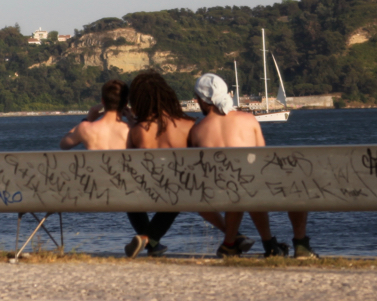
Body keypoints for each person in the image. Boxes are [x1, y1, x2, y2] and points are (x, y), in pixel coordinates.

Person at [188, 72, 317, 259]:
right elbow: (262, 158)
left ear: (203, 100)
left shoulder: (198, 130)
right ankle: (300, 245)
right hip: (250, 186)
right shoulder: (248, 119)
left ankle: (233, 244)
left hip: (218, 192)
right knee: (291, 187)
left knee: (241, 187)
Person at [123, 71, 195, 258]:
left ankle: (150, 242)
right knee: (180, 193)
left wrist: (131, 121)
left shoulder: (138, 131)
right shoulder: (190, 125)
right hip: (179, 191)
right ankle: (150, 240)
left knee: (130, 195)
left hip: (146, 190)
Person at [59, 79, 131, 151]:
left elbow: (63, 145)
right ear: (125, 103)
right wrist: (131, 119)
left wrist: (88, 119)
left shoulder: (85, 128)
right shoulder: (132, 129)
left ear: (102, 101)